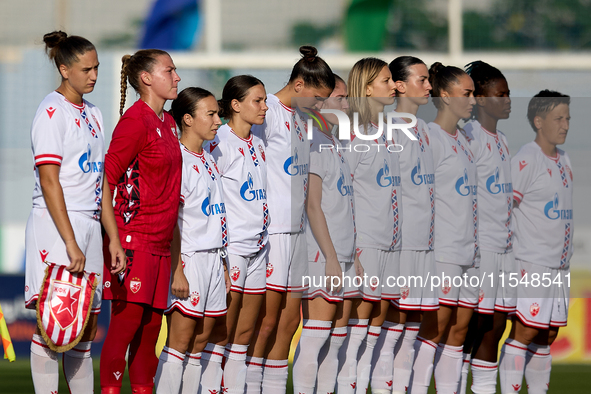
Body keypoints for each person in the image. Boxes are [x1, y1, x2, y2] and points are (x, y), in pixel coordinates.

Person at [25, 30, 125, 393]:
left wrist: (111, 238)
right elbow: (50, 182)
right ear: (65, 70)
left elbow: (101, 186)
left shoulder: (95, 114)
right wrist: (69, 242)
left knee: (84, 329)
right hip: (56, 228)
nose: (94, 75)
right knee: (52, 326)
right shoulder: (51, 112)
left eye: (97, 67)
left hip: (89, 227)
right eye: (86, 69)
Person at [247, 45, 336, 394]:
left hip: (297, 233)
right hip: (271, 234)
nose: (319, 105)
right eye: (316, 97)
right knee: (264, 323)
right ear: (299, 84)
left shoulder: (303, 120)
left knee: (287, 323)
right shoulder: (264, 111)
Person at [99, 49, 182, 394]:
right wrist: (115, 241)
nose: (177, 77)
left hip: (161, 247)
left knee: (150, 338)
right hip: (134, 244)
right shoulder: (135, 121)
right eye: (170, 71)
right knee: (124, 331)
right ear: (146, 78)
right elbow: (105, 181)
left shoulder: (170, 122)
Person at [408, 63, 479, 394]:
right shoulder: (430, 136)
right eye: (467, 94)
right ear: (446, 96)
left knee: (459, 332)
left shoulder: (464, 138)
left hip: (468, 249)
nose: (474, 100)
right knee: (433, 331)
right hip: (443, 250)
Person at [154, 87, 228, 394]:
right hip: (190, 259)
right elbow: (171, 219)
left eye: (217, 114)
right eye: (210, 114)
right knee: (180, 342)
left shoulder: (208, 158)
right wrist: (177, 269)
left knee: (200, 343)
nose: (217, 121)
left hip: (213, 259)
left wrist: (223, 261)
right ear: (187, 119)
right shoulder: (178, 158)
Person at [335, 58, 402, 394]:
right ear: (366, 88)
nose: (395, 86)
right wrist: (352, 248)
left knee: (375, 328)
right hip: (365, 242)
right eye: (387, 80)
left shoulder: (389, 132)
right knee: (357, 328)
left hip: (390, 242)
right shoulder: (352, 133)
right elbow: (341, 192)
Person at [499, 90, 573, 394]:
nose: (566, 125)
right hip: (533, 262)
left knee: (548, 335)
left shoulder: (564, 159)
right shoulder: (527, 158)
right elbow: (504, 206)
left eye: (568, 118)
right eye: (559, 118)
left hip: (559, 265)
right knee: (526, 332)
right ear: (538, 121)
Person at [199, 75, 269, 394]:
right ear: (236, 105)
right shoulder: (219, 143)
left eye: (265, 100)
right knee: (222, 335)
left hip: (259, 248)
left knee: (244, 337)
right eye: (258, 100)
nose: (265, 107)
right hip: (233, 251)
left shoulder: (260, 141)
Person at [292, 75, 360, 394]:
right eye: (340, 98)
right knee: (316, 336)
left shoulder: (334, 141)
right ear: (320, 102)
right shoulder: (315, 142)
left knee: (336, 339)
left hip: (343, 253)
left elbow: (342, 205)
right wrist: (331, 257)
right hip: (322, 255)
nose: (347, 105)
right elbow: (313, 205)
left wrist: (352, 255)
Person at [460, 60, 514, 394]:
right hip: (480, 248)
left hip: (504, 248)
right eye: (500, 94)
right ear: (480, 98)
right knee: (471, 327)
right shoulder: (469, 136)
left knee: (495, 325)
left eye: (508, 94)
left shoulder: (503, 140)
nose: (508, 100)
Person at [386, 56, 438, 394]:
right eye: (421, 80)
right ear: (400, 86)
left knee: (416, 326)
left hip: (426, 244)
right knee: (393, 328)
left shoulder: (425, 130)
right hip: (400, 247)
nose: (429, 86)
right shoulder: (388, 129)